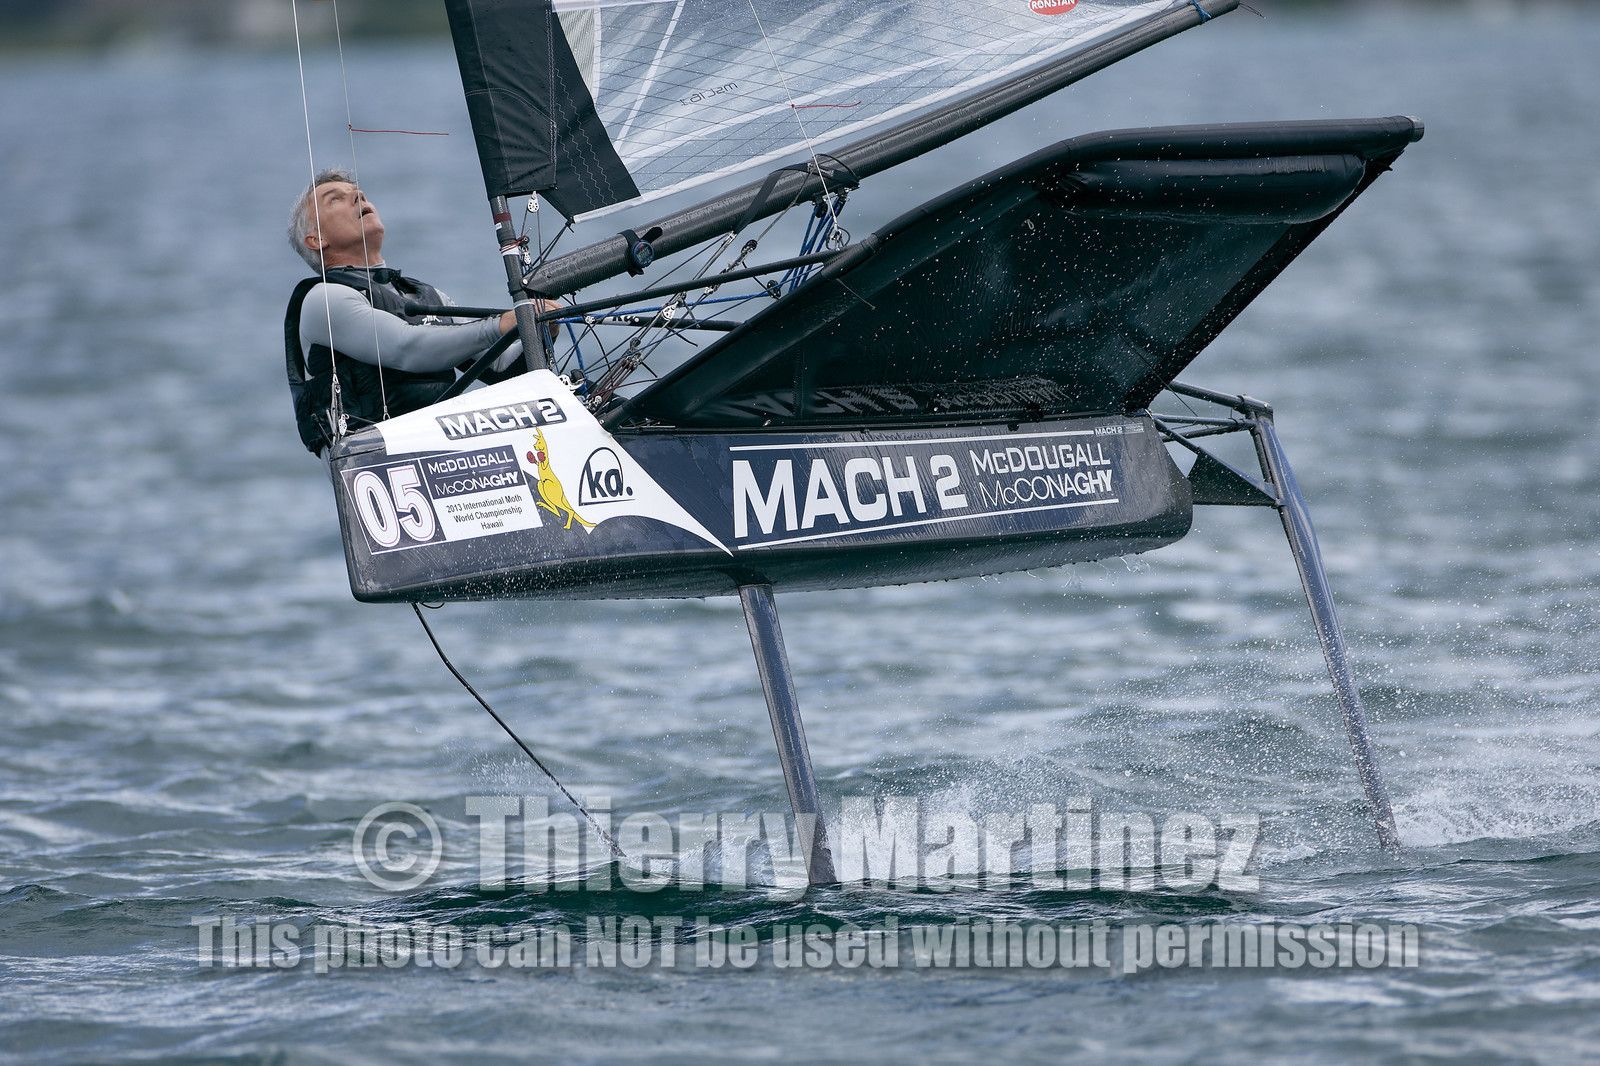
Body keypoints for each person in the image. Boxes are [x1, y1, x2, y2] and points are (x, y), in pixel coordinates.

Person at [283, 167, 548, 455]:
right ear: (316, 239)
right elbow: (406, 348)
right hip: (381, 473)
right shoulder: (322, 300)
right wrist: (500, 326)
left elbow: (502, 366)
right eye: (335, 199)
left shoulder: (426, 295)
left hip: (450, 459)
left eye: (358, 193)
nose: (358, 196)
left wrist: (541, 327)